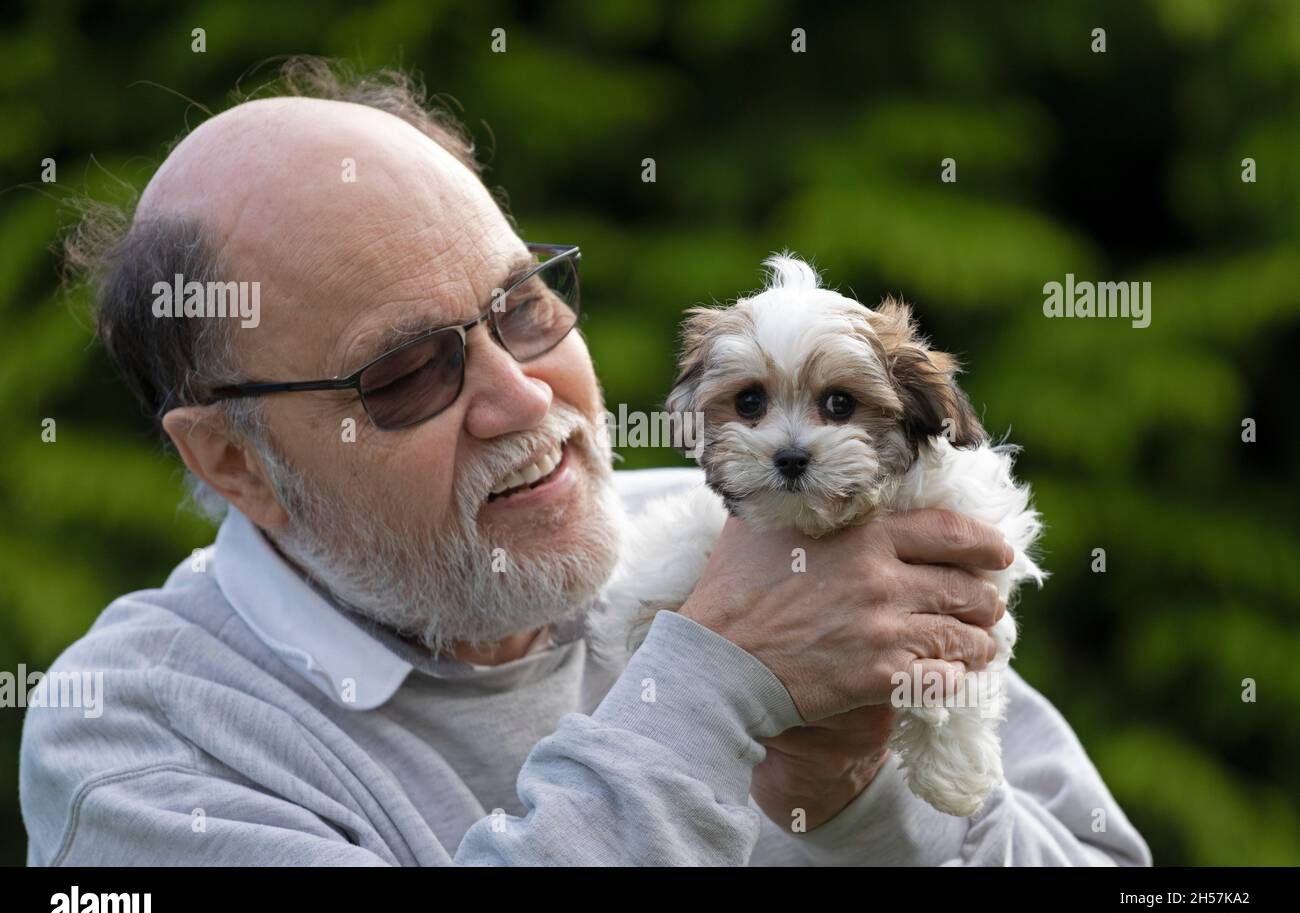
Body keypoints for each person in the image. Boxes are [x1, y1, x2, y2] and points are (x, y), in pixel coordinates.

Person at [20, 60, 1150, 866]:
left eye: (522, 304)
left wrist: (854, 800)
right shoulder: (135, 733)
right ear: (234, 460)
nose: (523, 394)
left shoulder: (743, 539)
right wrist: (707, 688)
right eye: (407, 369)